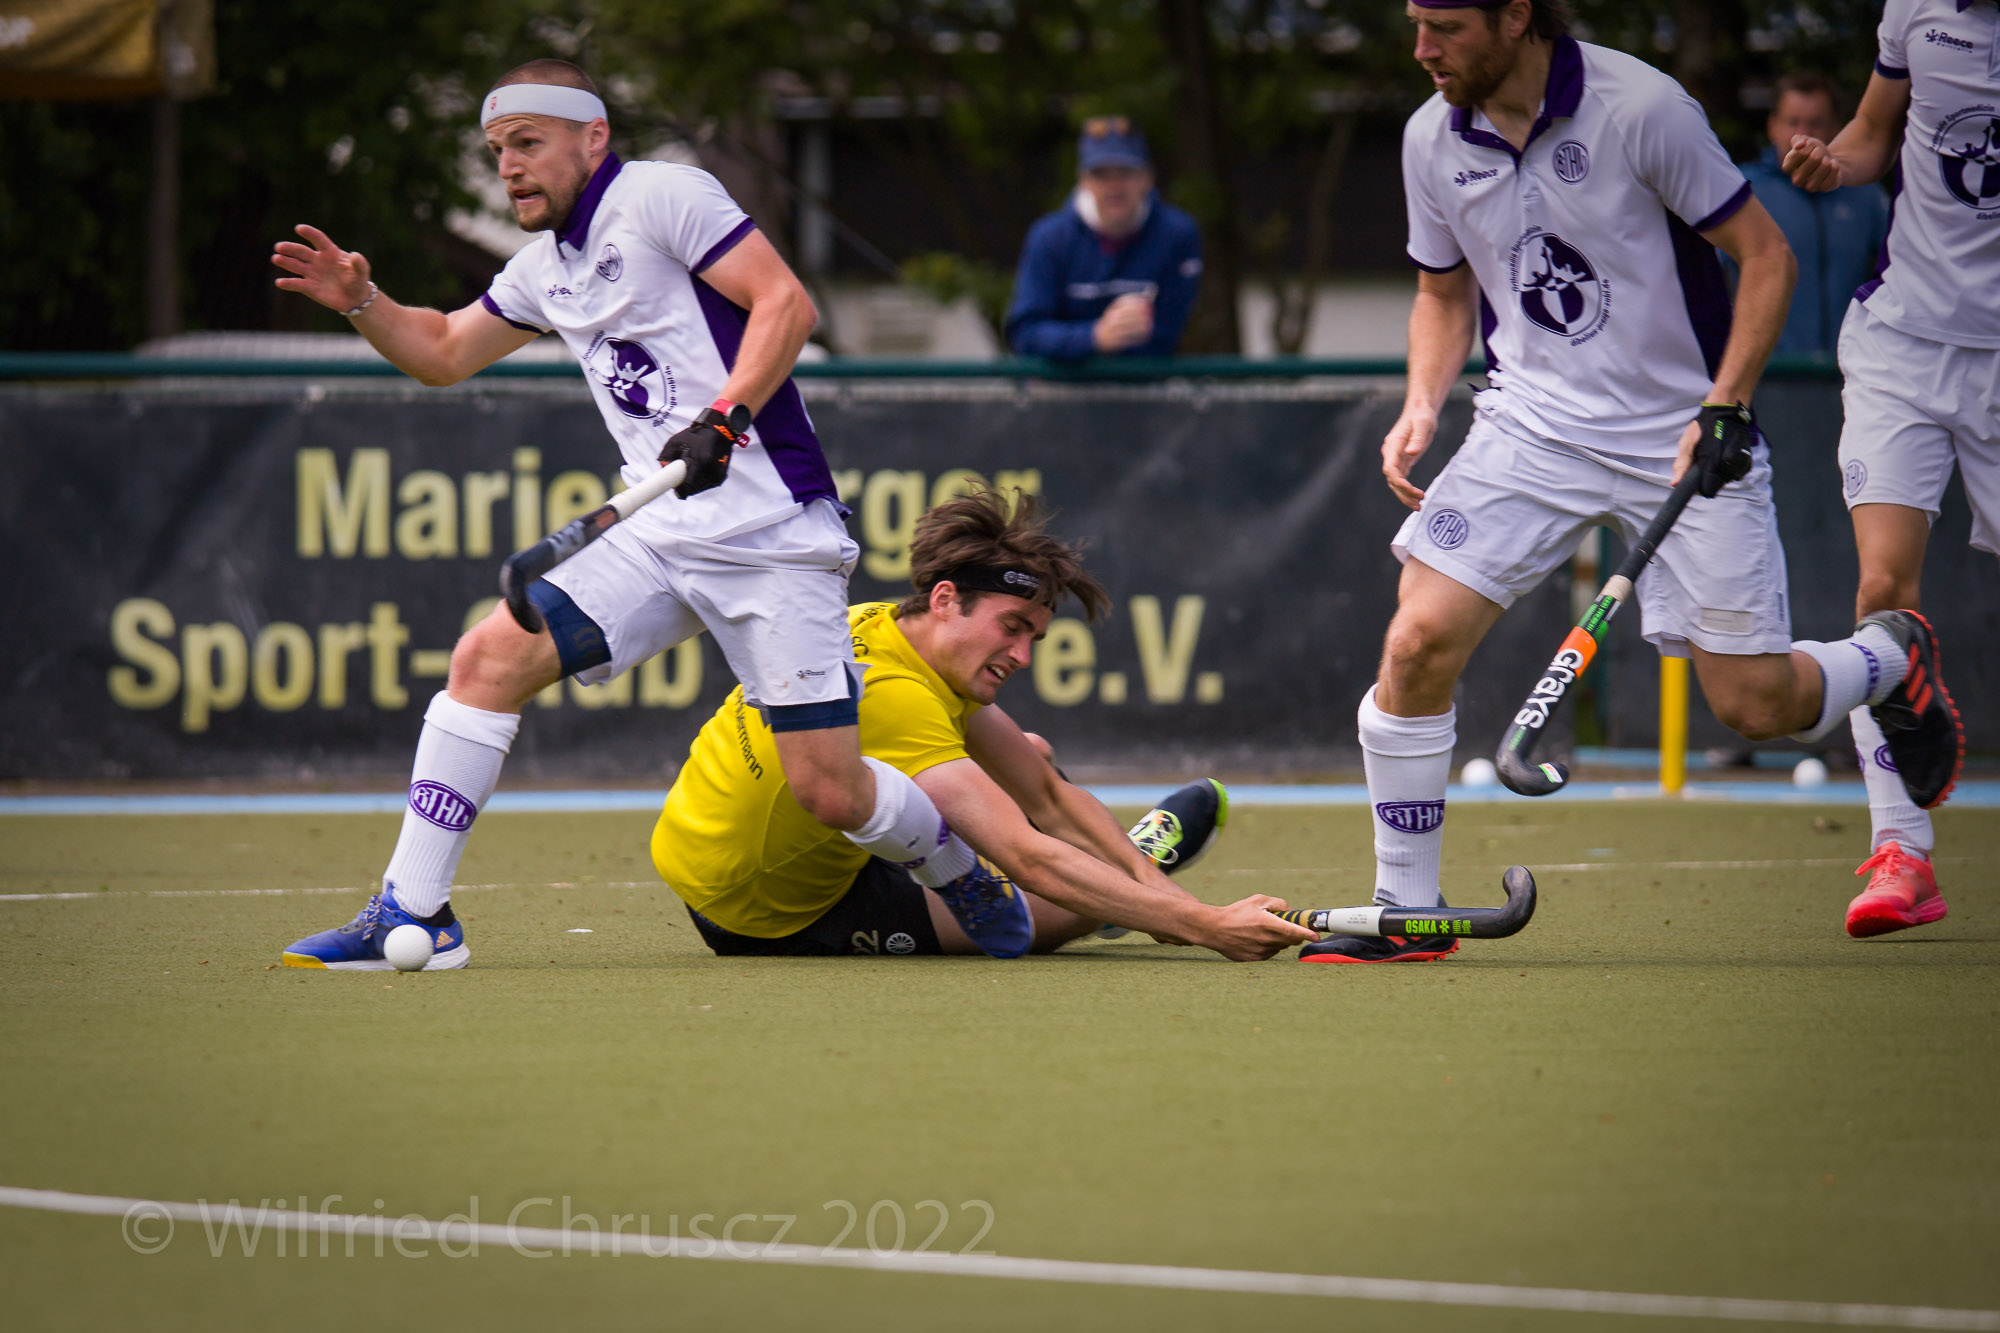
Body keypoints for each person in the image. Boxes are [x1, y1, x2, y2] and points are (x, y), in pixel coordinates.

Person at [271, 60, 1001, 970]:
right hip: (657, 530)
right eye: (497, 150)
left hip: (773, 534)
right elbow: (445, 350)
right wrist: (363, 301)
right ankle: (412, 912)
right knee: (486, 659)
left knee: (830, 790)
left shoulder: (663, 196)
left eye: (528, 142)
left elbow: (786, 302)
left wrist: (724, 417)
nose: (509, 166)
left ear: (593, 137)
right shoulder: (544, 269)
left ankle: (954, 866)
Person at [1333, 0, 1960, 964]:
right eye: (1416, 23)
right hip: (1530, 424)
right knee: (1415, 642)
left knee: (1756, 704)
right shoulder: (1431, 137)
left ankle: (1887, 659)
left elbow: (1767, 256)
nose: (1422, 49)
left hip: (1679, 430)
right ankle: (1406, 905)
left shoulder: (1641, 108)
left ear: (1515, 16)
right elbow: (1442, 292)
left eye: (1445, 27)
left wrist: (1726, 403)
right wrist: (1422, 401)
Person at [652, 488, 1317, 961]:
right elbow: (1028, 854)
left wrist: (1162, 896)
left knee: (1031, 752)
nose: (1023, 655)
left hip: (720, 840)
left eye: (1034, 637)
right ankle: (1123, 884)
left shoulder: (886, 627)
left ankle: (1134, 875)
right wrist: (1203, 924)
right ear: (946, 599)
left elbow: (1047, 795)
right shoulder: (894, 696)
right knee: (1067, 907)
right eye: (1012, 627)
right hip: (760, 908)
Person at [1783, 0, 1986, 938]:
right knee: (1881, 594)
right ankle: (1901, 849)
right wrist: (1834, 162)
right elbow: (1872, 131)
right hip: (1904, 339)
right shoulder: (1914, 8)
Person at [1004, 116, 1203, 359]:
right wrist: (1095, 336)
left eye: (1125, 173)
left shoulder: (1177, 234)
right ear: (1083, 181)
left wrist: (1134, 330)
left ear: (1147, 178)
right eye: (1101, 175)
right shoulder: (1049, 237)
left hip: (1143, 382)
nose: (1114, 187)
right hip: (1065, 383)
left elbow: (1169, 331)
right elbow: (1024, 333)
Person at [1731, 72, 1890, 357]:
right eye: (1792, 122)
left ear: (1837, 128)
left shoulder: (1865, 193)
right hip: (1768, 370)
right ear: (1772, 126)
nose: (1802, 135)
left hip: (1849, 367)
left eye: (1815, 123)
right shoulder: (1745, 190)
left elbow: (1899, 271)